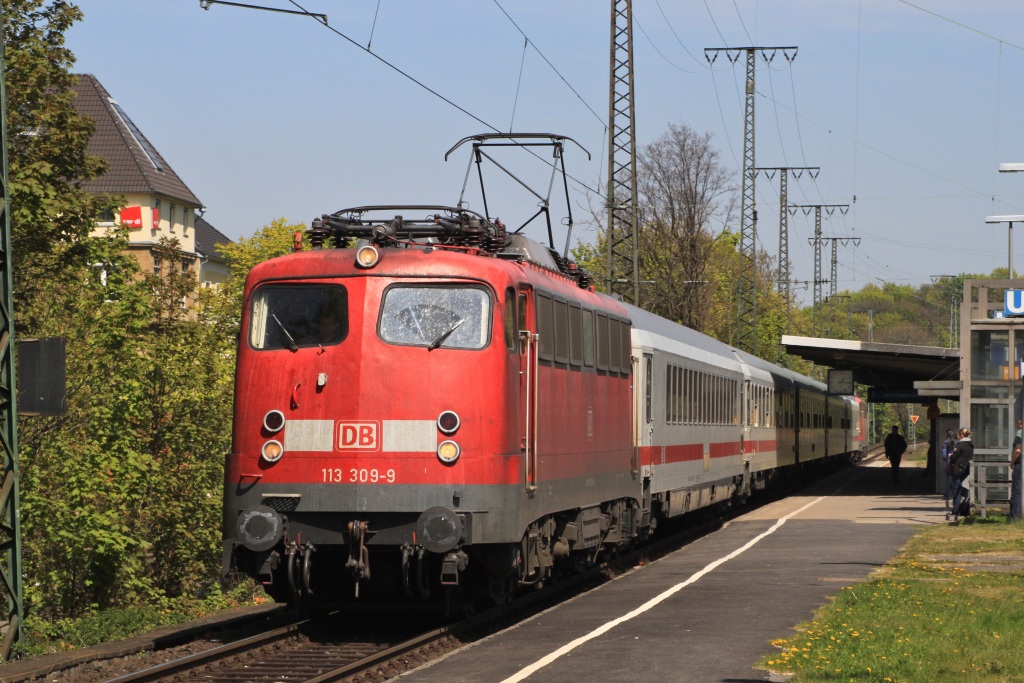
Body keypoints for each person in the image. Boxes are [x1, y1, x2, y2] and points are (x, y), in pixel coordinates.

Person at [948, 428, 973, 522]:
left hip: (958, 468)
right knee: (957, 485)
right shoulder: (970, 444)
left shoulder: (960, 444)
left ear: (961, 435)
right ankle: (964, 493)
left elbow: (954, 457)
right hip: (966, 468)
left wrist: (951, 456)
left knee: (956, 487)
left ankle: (956, 509)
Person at [941, 429, 958, 509]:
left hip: (948, 462)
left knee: (949, 478)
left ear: (946, 434)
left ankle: (948, 494)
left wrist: (945, 458)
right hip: (955, 461)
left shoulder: (945, 442)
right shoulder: (956, 442)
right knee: (954, 478)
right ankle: (954, 493)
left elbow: (944, 453)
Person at [1010, 420, 1022, 521]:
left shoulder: (1020, 433)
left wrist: (1012, 462)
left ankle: (1014, 516)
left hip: (1019, 465)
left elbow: (1018, 450)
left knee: (1016, 491)